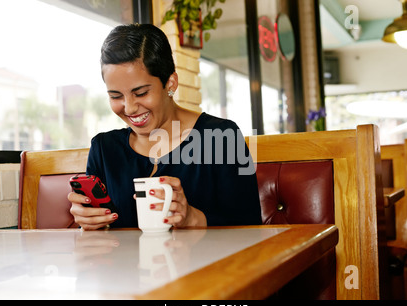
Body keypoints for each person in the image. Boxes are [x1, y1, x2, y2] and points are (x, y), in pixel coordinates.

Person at [68, 24, 262, 230]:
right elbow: (101, 239)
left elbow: (250, 226)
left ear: (170, 83)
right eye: (116, 96)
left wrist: (194, 219)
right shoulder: (104, 148)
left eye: (141, 93)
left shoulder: (222, 137)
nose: (130, 108)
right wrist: (88, 221)